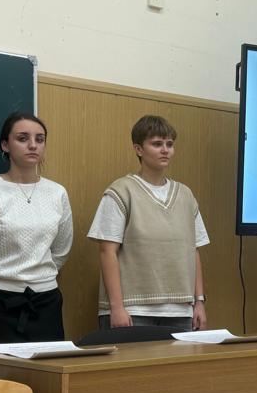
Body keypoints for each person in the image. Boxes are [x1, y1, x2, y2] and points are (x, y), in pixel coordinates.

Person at [0, 112, 73, 376]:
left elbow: (61, 250)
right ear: (5, 145)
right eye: (23, 138)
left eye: (39, 139)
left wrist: (36, 277)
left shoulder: (57, 192)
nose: (33, 145)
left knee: (46, 380)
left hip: (44, 302)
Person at [88, 114, 208, 332]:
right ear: (138, 149)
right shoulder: (120, 191)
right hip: (133, 310)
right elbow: (107, 251)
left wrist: (199, 301)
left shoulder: (186, 195)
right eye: (157, 144)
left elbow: (194, 250)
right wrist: (117, 307)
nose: (165, 150)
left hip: (180, 311)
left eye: (169, 144)